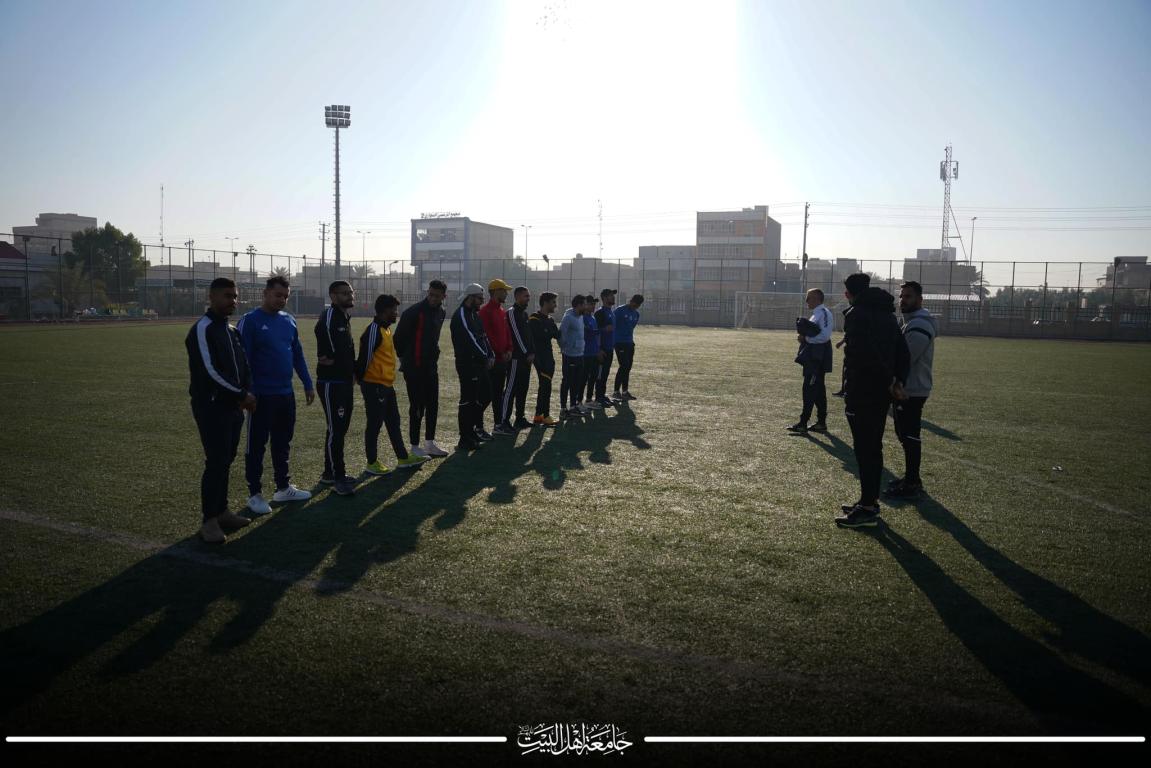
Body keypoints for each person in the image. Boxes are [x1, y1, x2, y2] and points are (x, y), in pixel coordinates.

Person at [185, 277, 256, 544]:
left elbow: (244, 366)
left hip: (234, 406)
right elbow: (209, 372)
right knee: (215, 461)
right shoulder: (202, 329)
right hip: (212, 407)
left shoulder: (232, 330)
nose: (233, 301)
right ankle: (209, 521)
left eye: (235, 296)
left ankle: (223, 511)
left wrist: (246, 391)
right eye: (227, 296)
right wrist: (242, 394)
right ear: (211, 297)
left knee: (226, 459)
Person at [236, 276, 315, 517]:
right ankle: (255, 493)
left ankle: (283, 487)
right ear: (265, 293)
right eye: (278, 295)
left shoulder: (288, 320)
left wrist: (307, 383)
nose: (282, 300)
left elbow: (297, 354)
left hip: (285, 394)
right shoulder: (250, 321)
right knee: (256, 445)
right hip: (260, 396)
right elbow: (242, 361)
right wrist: (247, 392)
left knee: (283, 441)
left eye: (285, 296)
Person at [836, 273, 909, 529]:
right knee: (873, 447)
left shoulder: (857, 314)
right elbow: (902, 350)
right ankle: (869, 501)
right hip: (880, 392)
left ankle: (867, 507)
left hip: (863, 390)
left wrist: (887, 379)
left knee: (865, 449)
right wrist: (898, 380)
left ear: (848, 293)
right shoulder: (887, 314)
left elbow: (863, 354)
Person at [356, 294, 430, 476]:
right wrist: (362, 380)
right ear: (384, 311)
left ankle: (403, 458)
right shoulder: (374, 330)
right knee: (375, 424)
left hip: (386, 385)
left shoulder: (386, 330)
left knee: (394, 422)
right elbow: (364, 358)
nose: (396, 313)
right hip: (375, 385)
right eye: (394, 310)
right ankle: (371, 462)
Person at [885, 281, 937, 498]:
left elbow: (906, 359)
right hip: (907, 387)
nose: (902, 300)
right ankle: (910, 478)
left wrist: (894, 381)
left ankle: (913, 482)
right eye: (901, 296)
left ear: (920, 300)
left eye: (908, 296)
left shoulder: (920, 325)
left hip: (911, 389)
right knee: (904, 433)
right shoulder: (910, 322)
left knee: (909, 435)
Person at [392, 279, 449, 458]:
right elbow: (398, 339)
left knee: (433, 405)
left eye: (437, 296)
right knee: (417, 406)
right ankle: (415, 446)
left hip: (431, 367)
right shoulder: (413, 312)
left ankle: (430, 443)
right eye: (431, 294)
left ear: (444, 296)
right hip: (414, 368)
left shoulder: (441, 312)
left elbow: (433, 338)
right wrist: (406, 360)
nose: (433, 298)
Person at [314, 280, 358, 496]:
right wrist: (326, 356)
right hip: (332, 383)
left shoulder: (343, 316)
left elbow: (347, 349)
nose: (349, 296)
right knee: (336, 430)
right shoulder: (330, 316)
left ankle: (329, 472)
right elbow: (323, 337)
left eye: (351, 292)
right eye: (344, 293)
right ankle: (338, 477)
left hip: (344, 382)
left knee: (338, 429)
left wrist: (352, 372)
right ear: (333, 296)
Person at [450, 283, 495, 450]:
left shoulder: (474, 314)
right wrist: (485, 357)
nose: (482, 301)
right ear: (470, 298)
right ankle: (465, 437)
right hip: (467, 364)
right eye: (480, 298)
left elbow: (483, 336)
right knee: (468, 400)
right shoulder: (461, 314)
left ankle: (471, 430)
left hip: (479, 363)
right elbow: (470, 339)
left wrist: (491, 354)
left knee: (485, 395)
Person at [788, 288, 835, 434]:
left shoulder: (824, 313)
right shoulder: (816, 314)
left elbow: (825, 336)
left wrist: (806, 338)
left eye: (809, 298)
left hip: (817, 358)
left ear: (817, 299)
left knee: (809, 389)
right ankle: (821, 423)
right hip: (813, 356)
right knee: (818, 390)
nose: (807, 301)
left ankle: (803, 423)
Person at [480, 278, 515, 436]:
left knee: (498, 394)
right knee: (486, 395)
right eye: (504, 290)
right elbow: (487, 336)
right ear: (495, 292)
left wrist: (509, 349)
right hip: (492, 360)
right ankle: (476, 426)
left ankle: (498, 425)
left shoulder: (501, 311)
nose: (506, 293)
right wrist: (500, 352)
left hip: (502, 360)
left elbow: (507, 333)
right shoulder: (485, 311)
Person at [500, 285, 535, 430]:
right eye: (526, 296)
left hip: (526, 360)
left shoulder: (524, 314)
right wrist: (527, 353)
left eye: (528, 296)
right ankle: (503, 420)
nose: (528, 298)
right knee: (511, 389)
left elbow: (528, 336)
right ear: (517, 297)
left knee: (523, 389)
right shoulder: (512, 313)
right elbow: (516, 335)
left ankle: (520, 418)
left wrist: (532, 352)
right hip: (516, 358)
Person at [528, 291, 561, 426]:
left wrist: (549, 332)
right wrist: (549, 332)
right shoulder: (534, 319)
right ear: (545, 303)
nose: (555, 305)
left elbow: (557, 334)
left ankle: (538, 416)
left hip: (548, 356)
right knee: (546, 385)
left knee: (545, 385)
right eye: (553, 302)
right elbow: (541, 336)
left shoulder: (550, 320)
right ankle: (545, 415)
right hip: (540, 357)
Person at [559, 294, 588, 418]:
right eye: (584, 304)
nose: (586, 307)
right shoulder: (568, 318)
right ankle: (563, 409)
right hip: (569, 355)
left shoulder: (580, 317)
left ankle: (573, 406)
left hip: (580, 354)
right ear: (579, 305)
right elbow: (561, 335)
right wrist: (564, 349)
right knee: (567, 381)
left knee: (577, 382)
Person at [612, 294, 643, 400]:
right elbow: (612, 324)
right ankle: (616, 392)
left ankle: (625, 391)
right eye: (634, 303)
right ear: (631, 300)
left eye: (638, 305)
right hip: (619, 342)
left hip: (629, 343)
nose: (635, 306)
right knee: (624, 365)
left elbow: (631, 327)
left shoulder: (636, 314)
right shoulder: (619, 310)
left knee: (628, 367)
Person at [593, 288, 619, 406]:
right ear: (604, 298)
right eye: (610, 295)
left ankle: (602, 395)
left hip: (609, 349)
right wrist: (598, 349)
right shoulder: (600, 313)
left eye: (613, 295)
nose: (613, 297)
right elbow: (595, 332)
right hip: (602, 350)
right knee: (600, 374)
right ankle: (598, 397)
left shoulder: (611, 312)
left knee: (605, 374)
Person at [582, 295, 603, 409]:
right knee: (583, 378)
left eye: (594, 304)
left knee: (594, 377)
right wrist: (602, 330)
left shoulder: (593, 318)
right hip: (585, 353)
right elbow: (588, 333)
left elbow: (596, 336)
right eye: (591, 304)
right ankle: (578, 401)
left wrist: (598, 350)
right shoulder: (582, 318)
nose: (593, 306)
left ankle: (589, 400)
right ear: (585, 305)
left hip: (594, 353)